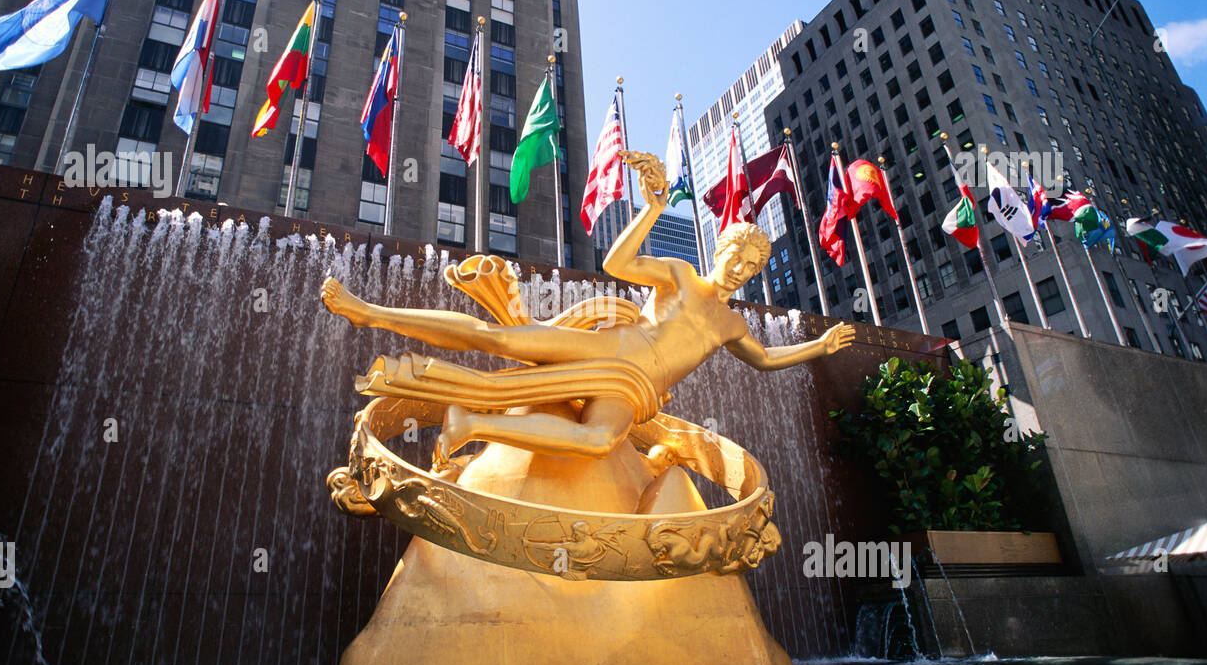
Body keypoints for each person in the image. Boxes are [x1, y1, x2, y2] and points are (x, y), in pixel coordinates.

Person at [321, 151, 854, 460]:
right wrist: (651, 211)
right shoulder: (680, 275)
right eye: (736, 256)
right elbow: (619, 265)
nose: (741, 269)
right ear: (720, 250)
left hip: (637, 390)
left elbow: (763, 360)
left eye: (751, 268)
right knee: (500, 338)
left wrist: (818, 347)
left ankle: (471, 424)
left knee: (599, 440)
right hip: (613, 349)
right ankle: (369, 311)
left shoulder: (733, 321)